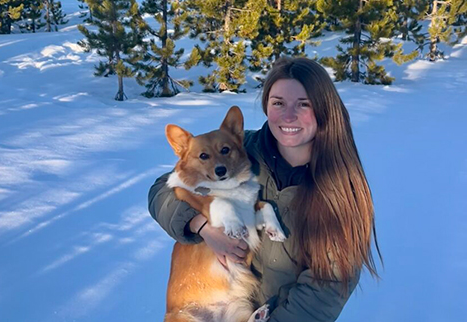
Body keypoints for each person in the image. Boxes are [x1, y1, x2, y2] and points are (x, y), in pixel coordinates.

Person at [148, 57, 381, 322]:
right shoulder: (237, 151)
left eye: (303, 104)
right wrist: (202, 226)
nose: (288, 115)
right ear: (266, 106)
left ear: (324, 109)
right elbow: (161, 191)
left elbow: (324, 291)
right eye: (278, 103)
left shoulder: (340, 188)